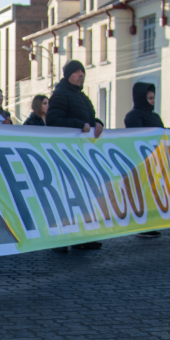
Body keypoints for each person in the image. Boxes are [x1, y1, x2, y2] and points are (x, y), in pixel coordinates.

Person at [46, 60, 104, 251]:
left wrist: (97, 122)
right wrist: (78, 124)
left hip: (81, 154)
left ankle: (82, 236)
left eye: (83, 71)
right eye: (77, 71)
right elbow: (54, 121)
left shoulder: (81, 96)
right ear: (68, 74)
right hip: (66, 154)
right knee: (66, 196)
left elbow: (88, 117)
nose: (81, 74)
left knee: (83, 195)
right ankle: (60, 239)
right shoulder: (61, 94)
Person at [124, 82, 164, 238]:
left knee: (152, 192)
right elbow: (137, 137)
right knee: (142, 193)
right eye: (150, 98)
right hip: (141, 161)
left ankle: (151, 222)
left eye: (154, 98)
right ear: (142, 98)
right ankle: (142, 224)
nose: (153, 101)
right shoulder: (134, 116)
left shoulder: (155, 116)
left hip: (155, 160)